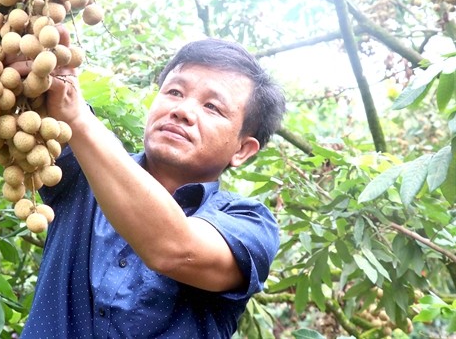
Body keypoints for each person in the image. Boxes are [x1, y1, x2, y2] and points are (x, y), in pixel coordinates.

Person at [19, 38, 286, 338]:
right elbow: (26, 89)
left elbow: (174, 249)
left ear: (242, 150)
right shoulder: (81, 165)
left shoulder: (250, 225)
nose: (183, 110)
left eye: (212, 106)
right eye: (174, 92)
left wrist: (78, 117)